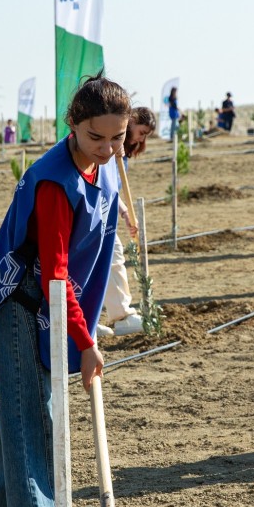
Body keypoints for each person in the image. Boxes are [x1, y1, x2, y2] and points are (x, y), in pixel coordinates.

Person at [0, 72, 129, 507]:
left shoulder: (105, 165)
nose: (107, 149)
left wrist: (87, 325)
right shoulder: (54, 182)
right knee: (33, 415)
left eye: (117, 138)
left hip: (51, 300)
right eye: (96, 137)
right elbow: (55, 275)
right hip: (19, 303)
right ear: (72, 125)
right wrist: (85, 341)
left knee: (22, 403)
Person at [99, 106, 154, 338]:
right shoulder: (107, 146)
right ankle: (119, 317)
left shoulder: (123, 155)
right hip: (91, 212)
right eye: (141, 132)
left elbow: (112, 191)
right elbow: (100, 183)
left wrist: (125, 213)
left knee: (109, 258)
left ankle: (95, 320)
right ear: (130, 121)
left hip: (104, 211)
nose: (141, 139)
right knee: (110, 257)